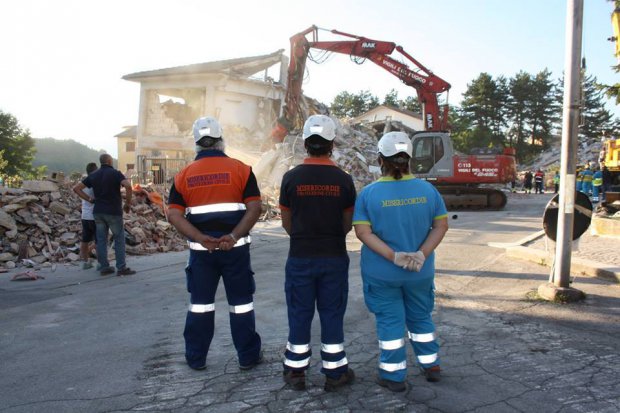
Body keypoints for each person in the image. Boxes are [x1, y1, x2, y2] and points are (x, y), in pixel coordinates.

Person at [353, 131, 449, 393]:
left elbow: (363, 232)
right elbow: (441, 226)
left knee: (390, 322)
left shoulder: (369, 194)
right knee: (420, 318)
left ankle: (394, 377)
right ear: (409, 160)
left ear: (380, 159)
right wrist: (422, 253)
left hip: (383, 274)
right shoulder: (428, 190)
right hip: (420, 272)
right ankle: (431, 366)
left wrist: (393, 256)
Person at [167, 116, 263, 371]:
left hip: (202, 254)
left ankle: (196, 358)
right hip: (236, 251)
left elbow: (173, 214)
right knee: (241, 305)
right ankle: (248, 356)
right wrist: (232, 237)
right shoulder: (242, 169)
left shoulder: (183, 175)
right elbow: (255, 208)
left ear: (196, 143)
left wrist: (200, 238)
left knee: (200, 306)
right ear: (221, 140)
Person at [278, 115, 357, 392]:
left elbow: (286, 222)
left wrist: (303, 237)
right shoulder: (344, 180)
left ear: (305, 145)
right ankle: (335, 373)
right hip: (334, 256)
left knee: (299, 313)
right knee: (332, 314)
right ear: (332, 144)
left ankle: (296, 372)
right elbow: (347, 223)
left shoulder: (290, 178)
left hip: (300, 256)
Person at [74, 154, 135, 276]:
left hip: (98, 212)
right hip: (113, 211)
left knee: (101, 240)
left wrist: (90, 199)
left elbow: (77, 188)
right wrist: (127, 203)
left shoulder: (93, 175)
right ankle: (121, 268)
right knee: (119, 239)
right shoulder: (116, 173)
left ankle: (104, 267)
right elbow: (128, 186)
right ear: (109, 161)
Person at [73, 162, 98, 270]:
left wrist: (87, 199)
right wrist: (90, 199)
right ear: (95, 170)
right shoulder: (93, 182)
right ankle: (100, 261)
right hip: (94, 216)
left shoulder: (83, 182)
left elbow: (76, 189)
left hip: (85, 215)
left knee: (85, 239)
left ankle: (85, 261)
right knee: (101, 239)